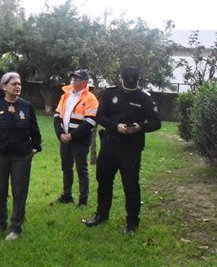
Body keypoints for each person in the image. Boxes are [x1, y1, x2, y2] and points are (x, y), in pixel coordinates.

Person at [84, 66, 161, 234]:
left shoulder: (144, 98)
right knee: (103, 181)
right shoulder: (110, 93)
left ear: (138, 80)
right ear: (120, 78)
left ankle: (132, 223)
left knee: (131, 185)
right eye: (127, 81)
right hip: (110, 144)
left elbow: (156, 122)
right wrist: (115, 126)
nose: (130, 84)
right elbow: (100, 116)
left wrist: (140, 127)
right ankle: (101, 215)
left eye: (133, 81)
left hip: (131, 148)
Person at [0, 72, 41, 241]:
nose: (18, 86)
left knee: (19, 192)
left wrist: (34, 148)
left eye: (19, 84)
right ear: (4, 87)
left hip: (22, 157)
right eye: (14, 84)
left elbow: (35, 131)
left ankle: (16, 227)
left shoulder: (27, 106)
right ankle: (0, 224)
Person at [53, 69, 99, 207]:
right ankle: (67, 195)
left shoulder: (90, 98)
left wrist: (72, 135)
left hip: (80, 140)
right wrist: (60, 134)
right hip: (64, 139)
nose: (74, 81)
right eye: (73, 78)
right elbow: (57, 116)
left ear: (85, 82)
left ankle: (83, 200)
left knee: (81, 169)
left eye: (78, 79)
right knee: (66, 168)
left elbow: (90, 121)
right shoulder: (65, 96)